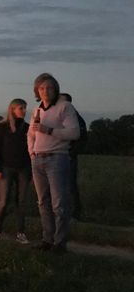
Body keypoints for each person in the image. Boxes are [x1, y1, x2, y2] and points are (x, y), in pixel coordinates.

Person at [28, 73, 80, 253]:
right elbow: (31, 134)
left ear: (55, 89)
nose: (45, 91)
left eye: (49, 87)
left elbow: (74, 133)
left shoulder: (65, 107)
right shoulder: (37, 110)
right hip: (38, 159)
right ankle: (47, 239)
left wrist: (48, 130)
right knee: (42, 202)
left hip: (57, 158)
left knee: (59, 203)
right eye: (41, 88)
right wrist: (31, 152)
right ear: (37, 90)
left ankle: (60, 243)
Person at [0, 99, 31, 244]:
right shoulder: (2, 127)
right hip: (6, 168)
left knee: (21, 201)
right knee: (3, 201)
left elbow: (31, 148)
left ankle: (21, 232)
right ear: (13, 110)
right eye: (21, 108)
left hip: (24, 168)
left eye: (25, 108)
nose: (24, 111)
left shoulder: (27, 127)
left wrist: (31, 170)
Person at [60, 93, 87, 221]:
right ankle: (61, 212)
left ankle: (75, 214)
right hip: (57, 156)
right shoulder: (60, 116)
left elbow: (81, 140)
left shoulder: (76, 118)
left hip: (68, 157)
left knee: (70, 185)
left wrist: (71, 154)